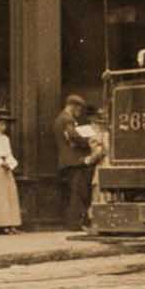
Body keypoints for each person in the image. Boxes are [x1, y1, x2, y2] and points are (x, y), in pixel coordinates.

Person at [54, 93, 93, 230]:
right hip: (74, 161)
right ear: (72, 106)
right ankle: (75, 224)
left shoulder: (60, 118)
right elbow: (74, 137)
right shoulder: (67, 119)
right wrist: (90, 142)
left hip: (66, 161)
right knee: (77, 192)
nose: (80, 112)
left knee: (72, 192)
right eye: (79, 108)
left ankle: (72, 223)